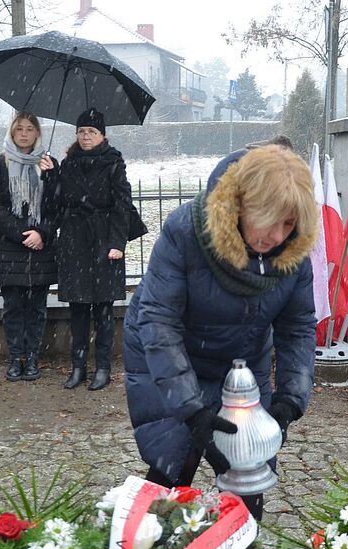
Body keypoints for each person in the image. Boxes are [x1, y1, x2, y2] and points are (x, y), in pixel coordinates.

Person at [122, 145, 318, 520]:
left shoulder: (293, 253)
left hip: (242, 361)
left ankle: (240, 546)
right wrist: (192, 409)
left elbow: (297, 328)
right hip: (172, 352)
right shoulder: (186, 230)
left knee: (247, 468)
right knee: (174, 461)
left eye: (288, 224)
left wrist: (288, 402)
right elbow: (159, 320)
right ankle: (151, 541)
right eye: (268, 220)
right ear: (242, 204)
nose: (276, 236)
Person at [53, 108, 134, 391]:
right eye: (81, 131)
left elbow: (122, 205)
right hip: (74, 238)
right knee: (77, 308)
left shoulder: (113, 163)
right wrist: (49, 175)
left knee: (102, 309)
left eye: (91, 132)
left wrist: (116, 244)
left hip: (103, 240)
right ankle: (78, 367)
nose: (85, 136)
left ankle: (103, 367)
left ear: (102, 135)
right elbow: (58, 200)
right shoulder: (68, 163)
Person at [0, 112, 58, 382]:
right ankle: (16, 358)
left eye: (29, 129)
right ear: (12, 132)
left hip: (41, 248)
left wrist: (41, 232)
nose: (24, 134)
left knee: (37, 308)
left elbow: (58, 205)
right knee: (13, 307)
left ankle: (33, 358)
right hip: (8, 248)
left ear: (38, 133)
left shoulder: (49, 163)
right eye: (19, 129)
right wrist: (20, 233)